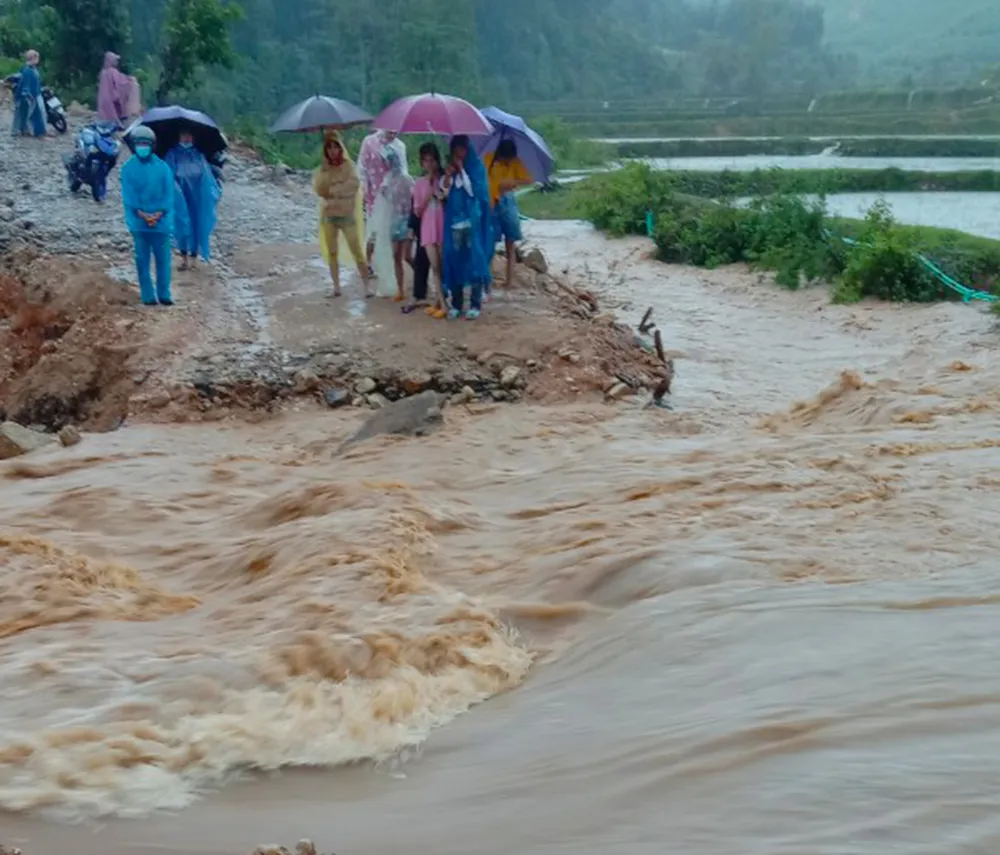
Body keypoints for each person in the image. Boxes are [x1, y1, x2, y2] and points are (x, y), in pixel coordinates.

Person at [120, 126, 175, 306]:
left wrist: (158, 214)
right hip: (139, 223)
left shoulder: (163, 168)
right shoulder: (128, 168)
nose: (142, 147)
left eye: (146, 144)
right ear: (134, 146)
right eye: (139, 144)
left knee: (163, 260)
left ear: (152, 145)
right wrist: (144, 215)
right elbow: (129, 196)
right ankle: (147, 295)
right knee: (142, 260)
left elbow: (169, 195)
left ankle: (164, 294)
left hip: (161, 222)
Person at [314, 130, 372, 299]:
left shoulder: (349, 166)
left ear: (340, 149)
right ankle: (336, 286)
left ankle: (367, 286)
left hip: (346, 214)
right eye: (329, 148)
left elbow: (353, 185)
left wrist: (335, 189)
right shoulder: (323, 169)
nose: (333, 151)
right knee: (332, 251)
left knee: (357, 250)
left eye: (335, 147)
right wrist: (328, 177)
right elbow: (320, 190)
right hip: (329, 215)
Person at [440, 135, 492, 320]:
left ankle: (475, 304)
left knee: (475, 263)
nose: (459, 153)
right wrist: (448, 175)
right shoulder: (450, 169)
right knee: (455, 262)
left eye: (462, 149)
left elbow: (475, 192)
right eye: (456, 149)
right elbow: (443, 193)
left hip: (471, 223)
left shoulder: (476, 168)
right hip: (454, 223)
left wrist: (462, 171)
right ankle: (456, 303)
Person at [164, 126, 221, 270]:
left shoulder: (198, 155)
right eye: (184, 135)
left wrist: (212, 192)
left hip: (197, 196)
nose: (187, 138)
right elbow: (168, 175)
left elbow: (207, 177)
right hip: (180, 196)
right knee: (182, 223)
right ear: (179, 136)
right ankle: (183, 259)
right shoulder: (172, 154)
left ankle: (194, 258)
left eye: (190, 135)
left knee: (197, 224)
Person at [484, 139, 533, 293]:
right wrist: (495, 189)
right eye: (505, 158)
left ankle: (509, 281)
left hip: (508, 200)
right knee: (490, 243)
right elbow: (484, 181)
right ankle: (488, 280)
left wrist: (512, 182)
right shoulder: (488, 160)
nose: (507, 160)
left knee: (510, 244)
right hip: (492, 201)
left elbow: (528, 179)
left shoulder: (514, 162)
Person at [370, 146, 414, 300]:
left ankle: (421, 277)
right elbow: (385, 202)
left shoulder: (406, 179)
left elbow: (413, 200)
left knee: (407, 256)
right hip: (394, 221)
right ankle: (400, 289)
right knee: (396, 255)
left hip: (406, 220)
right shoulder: (387, 181)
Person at [358, 129, 406, 270]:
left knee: (390, 231)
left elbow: (403, 170)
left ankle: (387, 264)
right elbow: (362, 166)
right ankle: (367, 262)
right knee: (373, 229)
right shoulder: (369, 142)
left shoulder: (399, 146)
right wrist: (363, 189)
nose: (392, 133)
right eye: (390, 130)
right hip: (373, 192)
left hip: (392, 193)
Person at [410, 142, 446, 318]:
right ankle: (442, 303)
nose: (429, 164)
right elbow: (417, 211)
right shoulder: (419, 184)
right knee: (435, 265)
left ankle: (441, 301)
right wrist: (429, 194)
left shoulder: (444, 179)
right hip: (428, 227)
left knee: (443, 264)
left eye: (432, 160)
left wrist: (442, 194)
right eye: (426, 161)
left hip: (443, 224)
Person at [10, 50, 46, 138]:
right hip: (30, 96)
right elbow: (24, 83)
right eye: (36, 58)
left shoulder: (31, 68)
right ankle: (38, 133)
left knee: (23, 113)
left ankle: (23, 130)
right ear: (33, 58)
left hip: (32, 94)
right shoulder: (28, 70)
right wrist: (26, 94)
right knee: (35, 114)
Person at [96, 52, 135, 125]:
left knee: (104, 115)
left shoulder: (103, 72)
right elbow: (121, 83)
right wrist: (130, 80)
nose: (117, 62)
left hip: (103, 99)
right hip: (111, 98)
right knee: (113, 115)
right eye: (115, 60)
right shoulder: (113, 71)